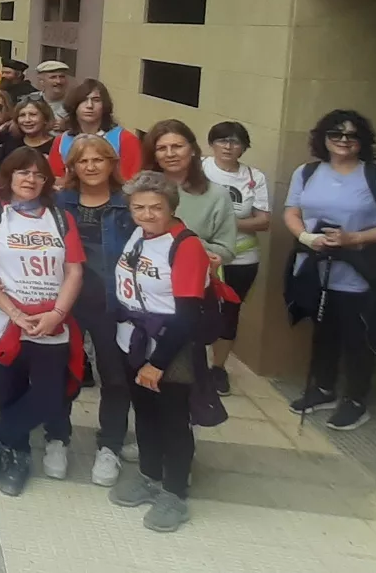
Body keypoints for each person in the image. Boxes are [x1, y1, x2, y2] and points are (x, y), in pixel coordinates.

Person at [0, 146, 86, 498]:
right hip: (4, 323)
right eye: (23, 172)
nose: (30, 179)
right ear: (9, 176)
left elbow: (74, 271)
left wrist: (57, 314)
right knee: (10, 393)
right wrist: (15, 313)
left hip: (51, 323)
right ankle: (17, 457)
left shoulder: (61, 218)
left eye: (38, 174)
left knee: (51, 396)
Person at [282, 109, 376, 431]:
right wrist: (307, 238)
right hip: (316, 267)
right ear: (323, 138)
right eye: (336, 134)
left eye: (351, 135)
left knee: (357, 336)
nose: (343, 140)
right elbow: (292, 211)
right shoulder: (307, 172)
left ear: (362, 141)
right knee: (323, 330)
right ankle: (323, 388)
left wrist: (354, 239)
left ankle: (355, 399)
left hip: (357, 272)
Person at [107, 171, 214, 533]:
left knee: (173, 420)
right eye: (139, 207)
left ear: (171, 207)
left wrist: (157, 363)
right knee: (145, 413)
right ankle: (150, 475)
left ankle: (175, 492)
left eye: (156, 207)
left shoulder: (185, 245)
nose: (147, 214)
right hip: (133, 339)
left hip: (170, 344)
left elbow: (187, 315)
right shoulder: (139, 234)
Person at [62, 133, 137, 486]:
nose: (91, 166)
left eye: (98, 159)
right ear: (73, 167)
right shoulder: (59, 202)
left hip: (113, 305)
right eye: (83, 160)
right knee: (64, 373)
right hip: (67, 302)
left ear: (111, 163)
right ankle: (57, 437)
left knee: (116, 378)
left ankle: (110, 445)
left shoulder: (129, 205)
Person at [202, 121, 270, 395]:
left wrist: (224, 222)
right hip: (201, 254)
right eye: (222, 140)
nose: (228, 147)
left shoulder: (254, 177)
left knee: (229, 313)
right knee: (193, 308)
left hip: (241, 257)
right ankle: (189, 362)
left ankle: (218, 368)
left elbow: (263, 220)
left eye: (235, 141)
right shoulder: (200, 168)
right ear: (212, 144)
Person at [145, 120, 234, 259]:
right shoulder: (140, 191)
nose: (170, 154)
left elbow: (227, 253)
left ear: (192, 150)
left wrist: (185, 240)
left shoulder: (217, 195)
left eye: (177, 146)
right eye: (161, 148)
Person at [47, 79, 144, 178]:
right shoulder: (61, 141)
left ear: (104, 105)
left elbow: (132, 181)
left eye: (96, 100)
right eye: (83, 100)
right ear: (74, 105)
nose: (89, 106)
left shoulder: (125, 139)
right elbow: (55, 179)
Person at [33, 60, 73, 126]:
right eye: (53, 77)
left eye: (62, 77)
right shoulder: (30, 101)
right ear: (41, 81)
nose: (58, 81)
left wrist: (68, 126)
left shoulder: (74, 102)